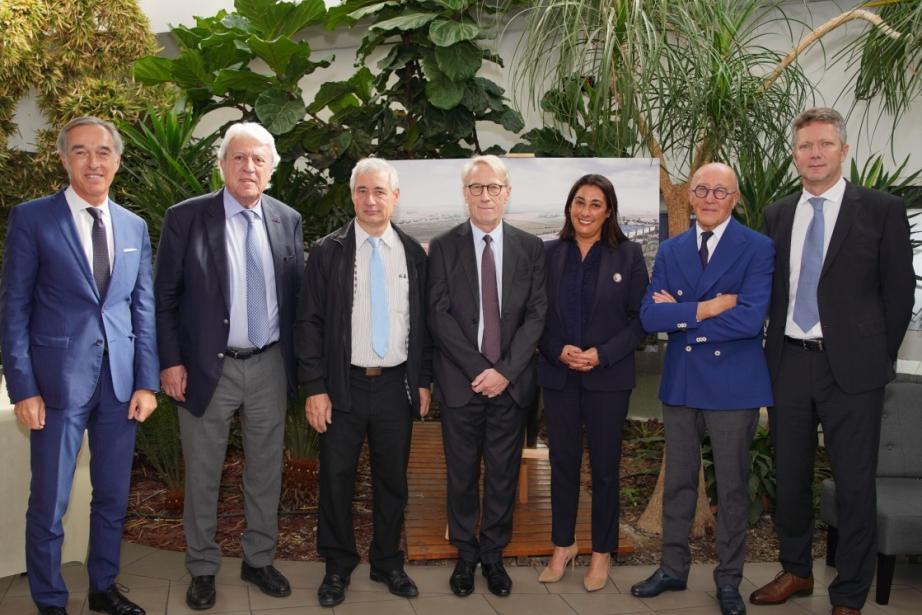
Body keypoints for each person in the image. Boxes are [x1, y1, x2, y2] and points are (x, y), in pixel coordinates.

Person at [750, 108, 915, 615]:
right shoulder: (777, 214)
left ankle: (848, 594)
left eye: (824, 145)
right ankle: (797, 571)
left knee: (855, 482)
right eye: (804, 146)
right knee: (792, 476)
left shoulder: (882, 209)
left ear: (843, 151)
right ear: (794, 153)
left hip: (855, 373)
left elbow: (899, 293)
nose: (814, 154)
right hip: (789, 365)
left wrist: (874, 357)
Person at [0, 116, 159, 615]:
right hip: (55, 386)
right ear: (64, 158)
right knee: (49, 502)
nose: (94, 162)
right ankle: (50, 601)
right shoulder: (32, 219)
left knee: (112, 497)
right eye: (81, 152)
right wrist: (22, 386)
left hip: (119, 386)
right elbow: (14, 308)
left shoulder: (134, 226)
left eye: (103, 152)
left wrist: (147, 382)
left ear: (117, 159)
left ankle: (103, 589)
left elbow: (142, 308)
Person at [154, 122, 303, 610]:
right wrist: (171, 361)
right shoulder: (186, 219)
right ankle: (201, 566)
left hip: (269, 365)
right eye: (239, 158)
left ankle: (258, 558)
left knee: (265, 469)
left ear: (272, 169)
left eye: (259, 159)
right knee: (203, 470)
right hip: (204, 369)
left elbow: (297, 298)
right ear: (222, 166)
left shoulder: (287, 220)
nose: (249, 167)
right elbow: (165, 297)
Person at [632, 163, 774, 615]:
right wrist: (711, 307)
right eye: (701, 190)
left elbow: (750, 319)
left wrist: (683, 316)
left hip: (734, 387)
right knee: (678, 484)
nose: (710, 198)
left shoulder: (757, 247)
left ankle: (728, 581)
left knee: (731, 490)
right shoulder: (672, 250)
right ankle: (673, 569)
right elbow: (649, 318)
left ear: (735, 199)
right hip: (683, 383)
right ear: (690, 197)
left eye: (720, 191)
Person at [294, 157, 431, 607]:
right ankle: (337, 565)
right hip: (341, 386)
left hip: (395, 386)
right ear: (352, 195)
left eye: (380, 191)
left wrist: (423, 379)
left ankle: (388, 562)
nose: (370, 200)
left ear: (395, 197)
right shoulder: (328, 251)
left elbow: (423, 325)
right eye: (362, 191)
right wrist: (315, 387)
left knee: (392, 481)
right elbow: (309, 323)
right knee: (336, 478)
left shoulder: (412, 253)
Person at [427, 155, 547, 598]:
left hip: (511, 386)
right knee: (460, 475)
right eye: (476, 187)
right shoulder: (443, 246)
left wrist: (504, 373)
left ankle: (493, 556)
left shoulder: (531, 248)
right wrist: (481, 371)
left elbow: (537, 316)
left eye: (493, 187)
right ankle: (465, 555)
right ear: (465, 194)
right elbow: (438, 316)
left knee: (501, 474)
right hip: (462, 383)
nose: (485, 195)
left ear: (507, 193)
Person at [536, 174, 648, 591]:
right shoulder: (548, 253)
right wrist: (555, 349)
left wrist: (603, 353)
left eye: (595, 204)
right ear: (569, 207)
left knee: (604, 469)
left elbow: (642, 321)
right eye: (579, 202)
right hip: (559, 376)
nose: (585, 211)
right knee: (562, 465)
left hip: (608, 378)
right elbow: (534, 315)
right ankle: (562, 545)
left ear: (609, 211)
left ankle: (601, 553)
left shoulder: (629, 255)